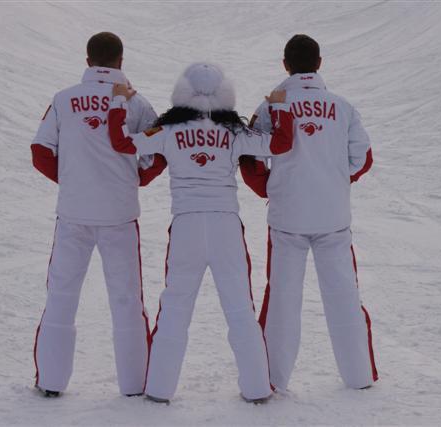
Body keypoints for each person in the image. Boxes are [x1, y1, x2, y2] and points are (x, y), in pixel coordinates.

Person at [107, 63, 295, 403]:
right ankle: (257, 388)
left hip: (186, 226)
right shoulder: (234, 132)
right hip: (225, 225)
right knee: (240, 308)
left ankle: (159, 388)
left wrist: (119, 101)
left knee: (175, 308)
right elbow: (280, 144)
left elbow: (121, 142)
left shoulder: (167, 130)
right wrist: (280, 107)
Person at [30, 32, 166, 398]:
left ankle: (50, 382)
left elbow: (41, 152)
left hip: (73, 213)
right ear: (121, 60)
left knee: (61, 295)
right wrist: (134, 179)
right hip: (119, 214)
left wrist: (74, 181)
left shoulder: (63, 99)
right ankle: (134, 384)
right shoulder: (137, 103)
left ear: (88, 61)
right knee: (127, 299)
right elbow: (159, 151)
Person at [240, 34, 378, 391]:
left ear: (285, 65)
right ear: (319, 64)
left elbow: (250, 157)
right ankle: (359, 376)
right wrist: (335, 180)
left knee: (282, 298)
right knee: (344, 294)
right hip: (332, 216)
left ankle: (272, 379)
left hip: (288, 215)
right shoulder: (342, 106)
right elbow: (363, 158)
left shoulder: (270, 105)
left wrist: (271, 188)